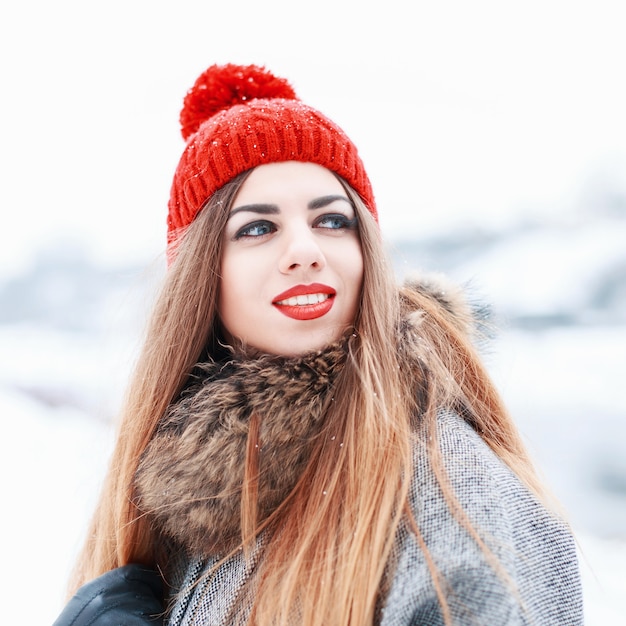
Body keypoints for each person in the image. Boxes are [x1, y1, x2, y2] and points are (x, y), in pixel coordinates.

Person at [52, 63, 583, 626]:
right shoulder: (189, 491)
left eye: (333, 220)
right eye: (257, 228)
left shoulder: (447, 494)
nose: (305, 250)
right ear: (202, 277)